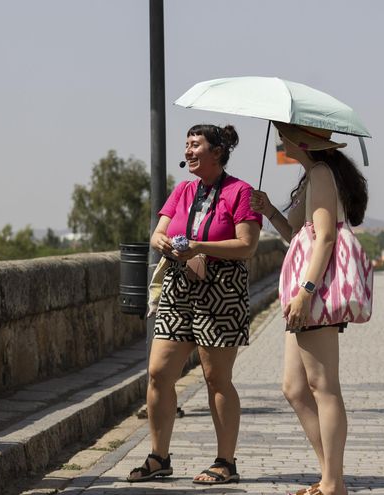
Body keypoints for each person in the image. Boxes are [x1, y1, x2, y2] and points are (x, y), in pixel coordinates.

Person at [127, 124, 262, 485]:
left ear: (216, 151)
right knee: (158, 372)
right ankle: (159, 457)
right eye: (186, 144)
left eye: (195, 145)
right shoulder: (184, 190)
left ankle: (225, 462)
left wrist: (200, 247)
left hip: (222, 290)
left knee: (216, 377)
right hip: (179, 285)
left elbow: (247, 246)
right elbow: (159, 232)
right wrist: (165, 245)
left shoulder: (241, 192)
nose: (188, 151)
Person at [250, 122, 368, 495]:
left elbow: (327, 237)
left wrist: (306, 291)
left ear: (301, 141)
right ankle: (330, 475)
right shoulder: (312, 176)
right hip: (305, 291)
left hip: (311, 292)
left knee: (322, 386)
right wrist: (269, 209)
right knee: (296, 388)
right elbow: (299, 236)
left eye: (283, 135)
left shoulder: (320, 173)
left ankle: (333, 483)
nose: (280, 141)